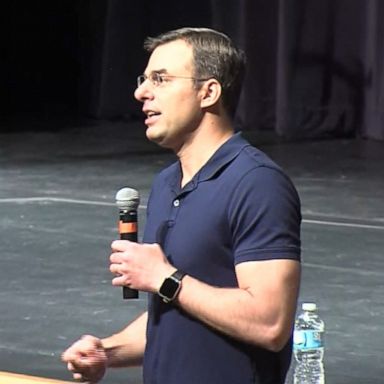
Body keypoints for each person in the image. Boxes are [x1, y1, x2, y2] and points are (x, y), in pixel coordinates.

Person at [62, 27, 301, 384]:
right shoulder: (166, 184)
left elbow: (270, 323)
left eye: (160, 79)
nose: (141, 92)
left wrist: (164, 277)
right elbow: (178, 313)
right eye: (144, 79)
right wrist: (106, 353)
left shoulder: (257, 183)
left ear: (208, 92)